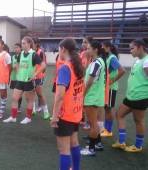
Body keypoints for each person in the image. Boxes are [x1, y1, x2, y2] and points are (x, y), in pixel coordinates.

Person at [50, 38, 84, 170]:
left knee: (64, 150)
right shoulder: (78, 65)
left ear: (63, 49)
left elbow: (59, 96)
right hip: (76, 112)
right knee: (74, 143)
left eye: (59, 49)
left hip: (65, 114)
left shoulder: (65, 68)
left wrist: (54, 116)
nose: (59, 52)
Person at [112, 38, 148, 153]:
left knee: (138, 121)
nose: (130, 51)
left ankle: (138, 146)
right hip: (130, 96)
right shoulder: (138, 60)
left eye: (132, 48)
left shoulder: (146, 61)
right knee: (119, 114)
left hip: (140, 97)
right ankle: (122, 142)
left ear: (140, 47)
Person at [3, 36, 45, 124]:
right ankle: (13, 117)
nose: (22, 45)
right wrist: (18, 72)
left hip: (29, 81)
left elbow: (43, 65)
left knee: (29, 100)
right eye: (22, 43)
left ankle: (28, 118)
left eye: (24, 43)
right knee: (14, 98)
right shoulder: (21, 53)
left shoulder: (34, 54)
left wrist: (35, 74)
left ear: (29, 44)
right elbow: (18, 63)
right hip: (20, 81)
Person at [80, 40, 107, 156]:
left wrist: (82, 95)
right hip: (97, 97)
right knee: (95, 123)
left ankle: (91, 149)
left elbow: (89, 82)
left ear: (95, 50)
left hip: (92, 97)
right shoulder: (99, 61)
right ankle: (97, 144)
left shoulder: (96, 63)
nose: (87, 50)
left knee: (93, 124)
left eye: (89, 48)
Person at [100, 41, 125, 137]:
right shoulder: (107, 57)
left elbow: (122, 70)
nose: (102, 48)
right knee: (106, 108)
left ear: (108, 47)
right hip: (107, 88)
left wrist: (112, 80)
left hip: (111, 88)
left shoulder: (112, 58)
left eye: (103, 47)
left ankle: (108, 130)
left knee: (108, 109)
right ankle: (105, 128)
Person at [32, 38, 50, 120]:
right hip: (31, 76)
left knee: (39, 93)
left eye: (32, 43)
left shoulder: (41, 52)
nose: (31, 45)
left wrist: (41, 74)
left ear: (36, 44)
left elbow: (44, 64)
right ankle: (33, 109)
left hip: (39, 76)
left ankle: (46, 111)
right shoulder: (31, 52)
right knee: (32, 92)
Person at [9, 43, 23, 112]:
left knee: (19, 94)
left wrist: (17, 66)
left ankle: (18, 107)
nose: (16, 49)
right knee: (15, 94)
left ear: (21, 48)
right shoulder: (13, 57)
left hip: (20, 78)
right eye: (15, 48)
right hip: (14, 77)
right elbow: (12, 66)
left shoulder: (23, 56)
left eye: (17, 47)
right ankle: (15, 107)